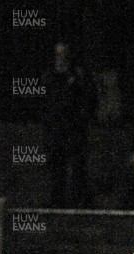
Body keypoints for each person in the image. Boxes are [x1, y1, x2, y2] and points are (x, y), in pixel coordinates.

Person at [41, 41, 95, 208]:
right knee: (57, 168)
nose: (61, 57)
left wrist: (81, 119)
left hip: (75, 130)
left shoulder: (78, 75)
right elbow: (45, 103)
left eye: (64, 54)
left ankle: (80, 203)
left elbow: (88, 99)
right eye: (58, 54)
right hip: (55, 130)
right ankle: (57, 202)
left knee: (78, 168)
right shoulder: (48, 76)